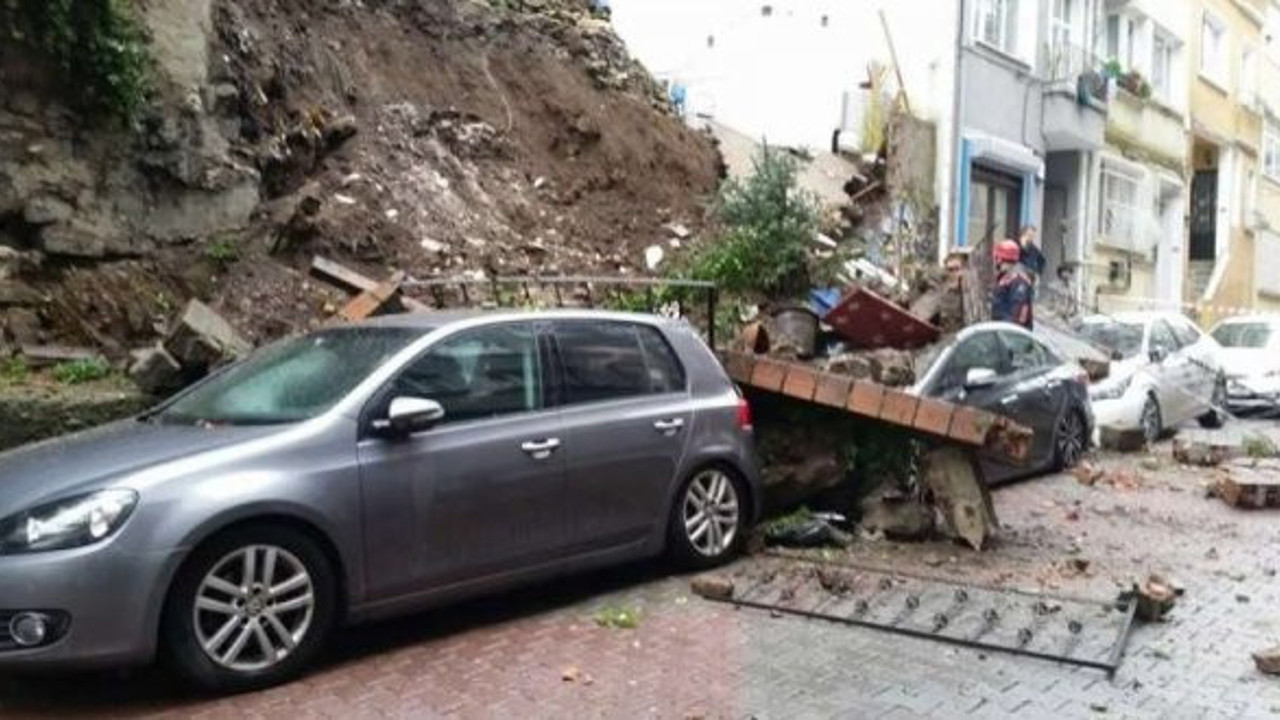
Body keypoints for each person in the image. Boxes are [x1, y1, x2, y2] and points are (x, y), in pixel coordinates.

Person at [991, 239, 1034, 330]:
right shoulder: (1005, 278)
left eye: (997, 258)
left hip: (1011, 333)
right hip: (1002, 329)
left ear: (1001, 259)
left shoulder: (1018, 281)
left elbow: (1017, 314)